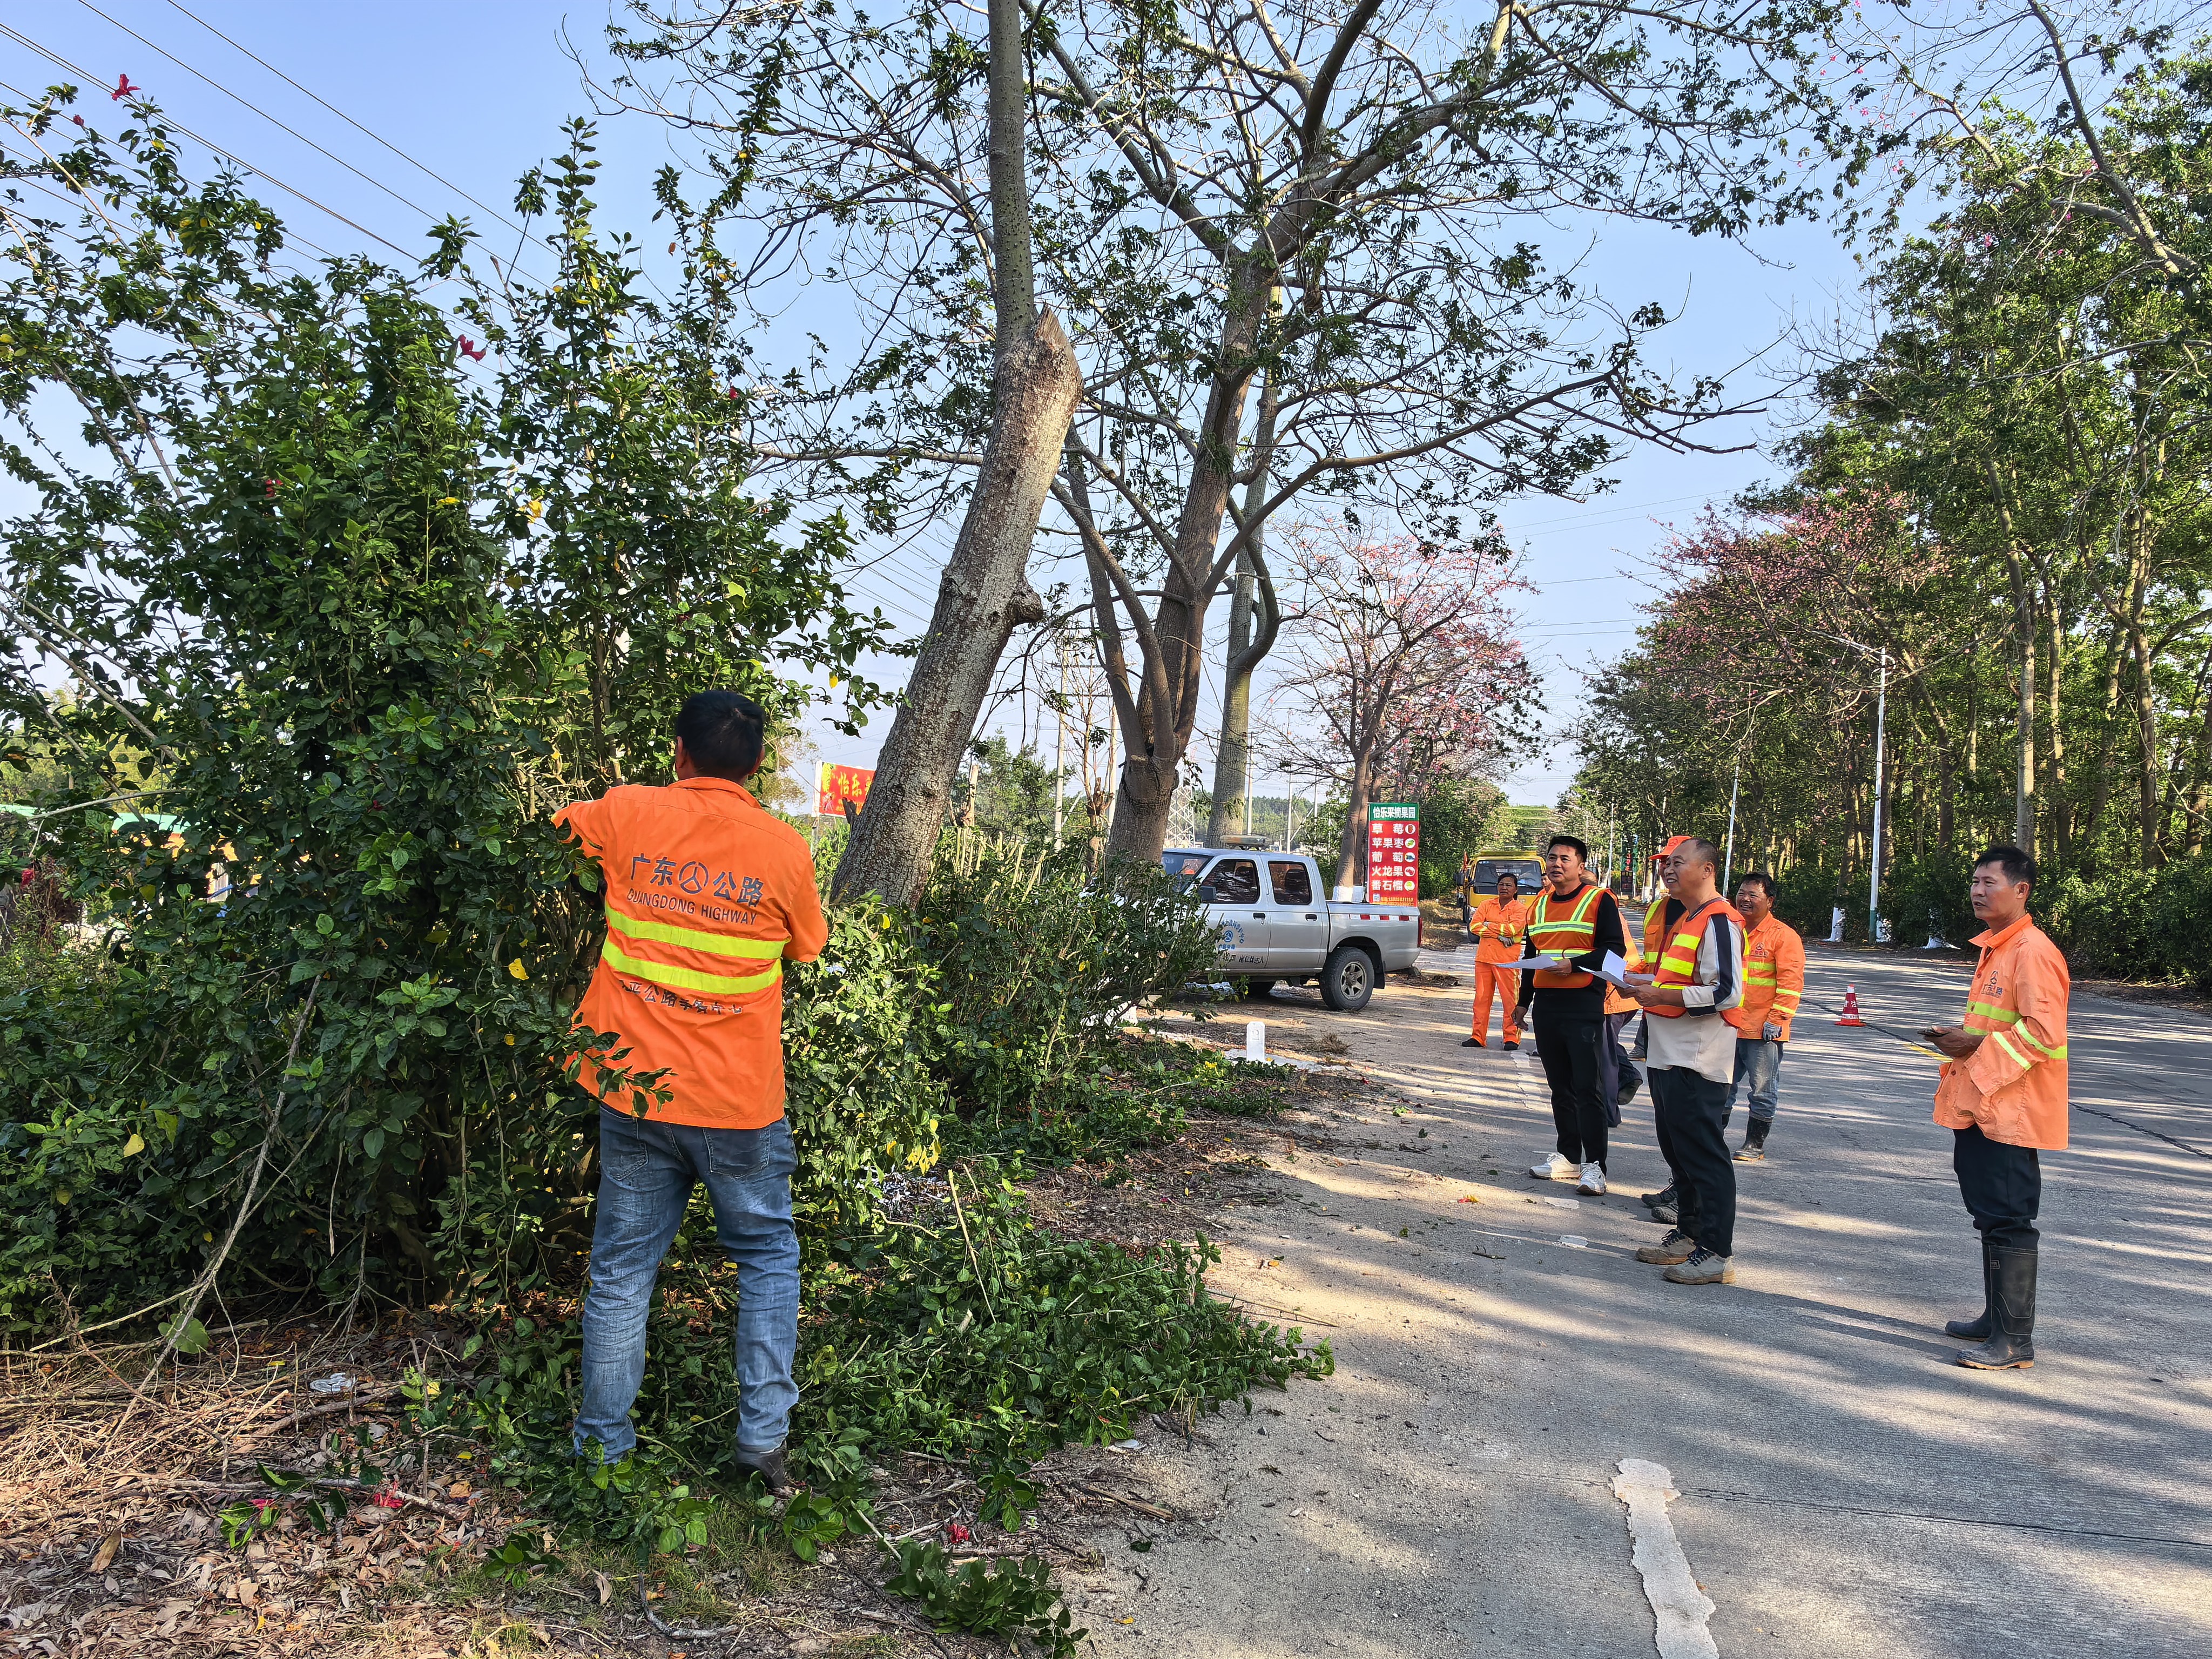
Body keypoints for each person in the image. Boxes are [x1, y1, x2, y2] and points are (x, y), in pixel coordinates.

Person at [556, 691, 830, 1491]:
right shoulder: (784, 849)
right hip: (740, 1104)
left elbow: (556, 834)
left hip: (635, 1091)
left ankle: (602, 1454)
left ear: (678, 751)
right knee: (767, 1259)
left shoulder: (628, 812)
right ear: (757, 766)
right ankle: (762, 1444)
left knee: (622, 1271)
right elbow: (808, 948)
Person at [1920, 845, 2069, 1371]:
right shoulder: (1998, 948)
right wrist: (1964, 1040)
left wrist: (1973, 1048)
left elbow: (2043, 1034)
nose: (1978, 891)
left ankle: (2014, 1341)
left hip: (2011, 1109)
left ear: (2021, 891)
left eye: (1990, 883)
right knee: (1989, 1216)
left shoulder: (2032, 951)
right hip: (1985, 1104)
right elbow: (1998, 1025)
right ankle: (1996, 1320)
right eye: (1975, 882)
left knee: (2008, 1218)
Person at [1629, 838, 1745, 1285]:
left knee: (1703, 1156)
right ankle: (1690, 1236)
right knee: (1678, 1152)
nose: (1668, 870)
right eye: (1666, 864)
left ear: (1708, 869)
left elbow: (1726, 992)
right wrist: (1640, 984)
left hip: (1698, 1056)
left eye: (1679, 862)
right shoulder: (1689, 918)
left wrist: (1661, 995)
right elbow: (1676, 977)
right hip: (1669, 1053)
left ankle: (1716, 1252)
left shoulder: (1719, 920)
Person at [1513, 835, 1626, 1195]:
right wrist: (1523, 1002)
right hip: (1548, 1004)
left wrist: (1573, 964)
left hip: (1584, 1002)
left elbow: (1615, 949)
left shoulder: (1599, 899)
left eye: (1565, 858)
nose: (1556, 864)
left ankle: (1596, 1166)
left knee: (1586, 1087)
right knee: (1559, 1086)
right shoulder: (1538, 905)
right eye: (1552, 857)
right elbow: (1531, 955)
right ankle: (1568, 1156)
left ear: (1581, 865)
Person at [1724, 872, 1805, 1163]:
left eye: (1753, 895)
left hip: (1762, 1030)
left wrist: (1778, 1020)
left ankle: (1754, 1145)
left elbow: (1791, 984)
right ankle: (1712, 1140)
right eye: (1741, 893)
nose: (1744, 899)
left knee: (1762, 1091)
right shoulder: (1730, 929)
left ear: (1769, 901)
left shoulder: (1783, 937)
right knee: (1721, 1087)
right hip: (1728, 1025)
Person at [1462, 871, 1528, 1050]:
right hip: (1484, 959)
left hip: (1507, 961)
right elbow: (1474, 926)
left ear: (1515, 889)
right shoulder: (1486, 904)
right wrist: (1498, 935)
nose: (1504, 887)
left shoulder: (1520, 909)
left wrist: (1489, 925)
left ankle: (1511, 1038)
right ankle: (1478, 1037)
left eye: (1508, 885)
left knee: (1510, 1001)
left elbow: (1513, 930)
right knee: (1481, 1001)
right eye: (1501, 884)